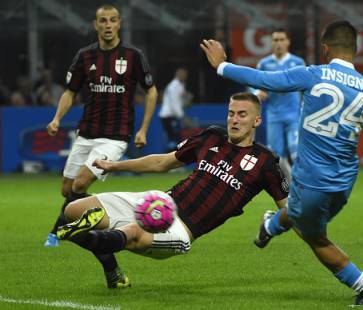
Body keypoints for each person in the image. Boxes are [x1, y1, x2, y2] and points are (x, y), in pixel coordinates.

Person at [201, 20, 363, 306]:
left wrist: (222, 66)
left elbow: (267, 80)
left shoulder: (314, 75)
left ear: (325, 49)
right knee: (298, 209)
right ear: (356, 50)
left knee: (314, 236)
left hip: (312, 180)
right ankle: (271, 226)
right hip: (345, 185)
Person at [56, 92, 289, 288]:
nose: (234, 120)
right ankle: (110, 265)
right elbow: (162, 162)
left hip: (181, 229)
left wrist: (307, 234)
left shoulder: (267, 162)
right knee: (73, 210)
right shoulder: (212, 136)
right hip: (160, 202)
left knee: (134, 233)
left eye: (242, 114)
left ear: (257, 120)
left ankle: (90, 235)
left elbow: (290, 210)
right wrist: (114, 165)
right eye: (231, 113)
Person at [43, 4, 158, 247]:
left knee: (80, 183)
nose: (107, 25)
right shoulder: (85, 56)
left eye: (112, 20)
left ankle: (56, 232)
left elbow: (151, 91)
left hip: (115, 136)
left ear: (119, 24)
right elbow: (70, 92)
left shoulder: (132, 56)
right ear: (96, 25)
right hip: (86, 133)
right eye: (103, 21)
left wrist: (143, 129)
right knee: (67, 190)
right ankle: (105, 209)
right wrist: (56, 118)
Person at [254, 29, 305, 179]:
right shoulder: (264, 63)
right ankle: (290, 187)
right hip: (274, 115)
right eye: (275, 40)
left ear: (288, 42)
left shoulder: (298, 62)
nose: (279, 43)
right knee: (275, 157)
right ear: (271, 43)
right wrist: (258, 92)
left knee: (296, 154)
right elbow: (254, 83)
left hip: (294, 115)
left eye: (282, 39)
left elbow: (305, 88)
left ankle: (302, 186)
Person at [159, 68, 193, 152]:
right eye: (183, 74)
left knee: (175, 139)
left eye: (186, 75)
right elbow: (174, 103)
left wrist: (187, 101)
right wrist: (183, 117)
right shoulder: (175, 86)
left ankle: (172, 161)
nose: (185, 76)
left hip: (171, 116)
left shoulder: (179, 85)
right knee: (174, 140)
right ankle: (169, 161)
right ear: (178, 74)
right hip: (168, 116)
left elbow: (180, 102)